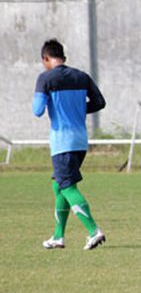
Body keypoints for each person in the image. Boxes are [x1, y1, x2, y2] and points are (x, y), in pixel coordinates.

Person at [33, 39, 107, 250]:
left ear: (46, 58)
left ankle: (94, 231)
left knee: (67, 186)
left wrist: (48, 99)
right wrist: (78, 109)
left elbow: (37, 110)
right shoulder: (81, 76)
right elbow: (100, 102)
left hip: (61, 142)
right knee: (59, 186)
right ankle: (58, 236)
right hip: (80, 141)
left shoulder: (45, 78)